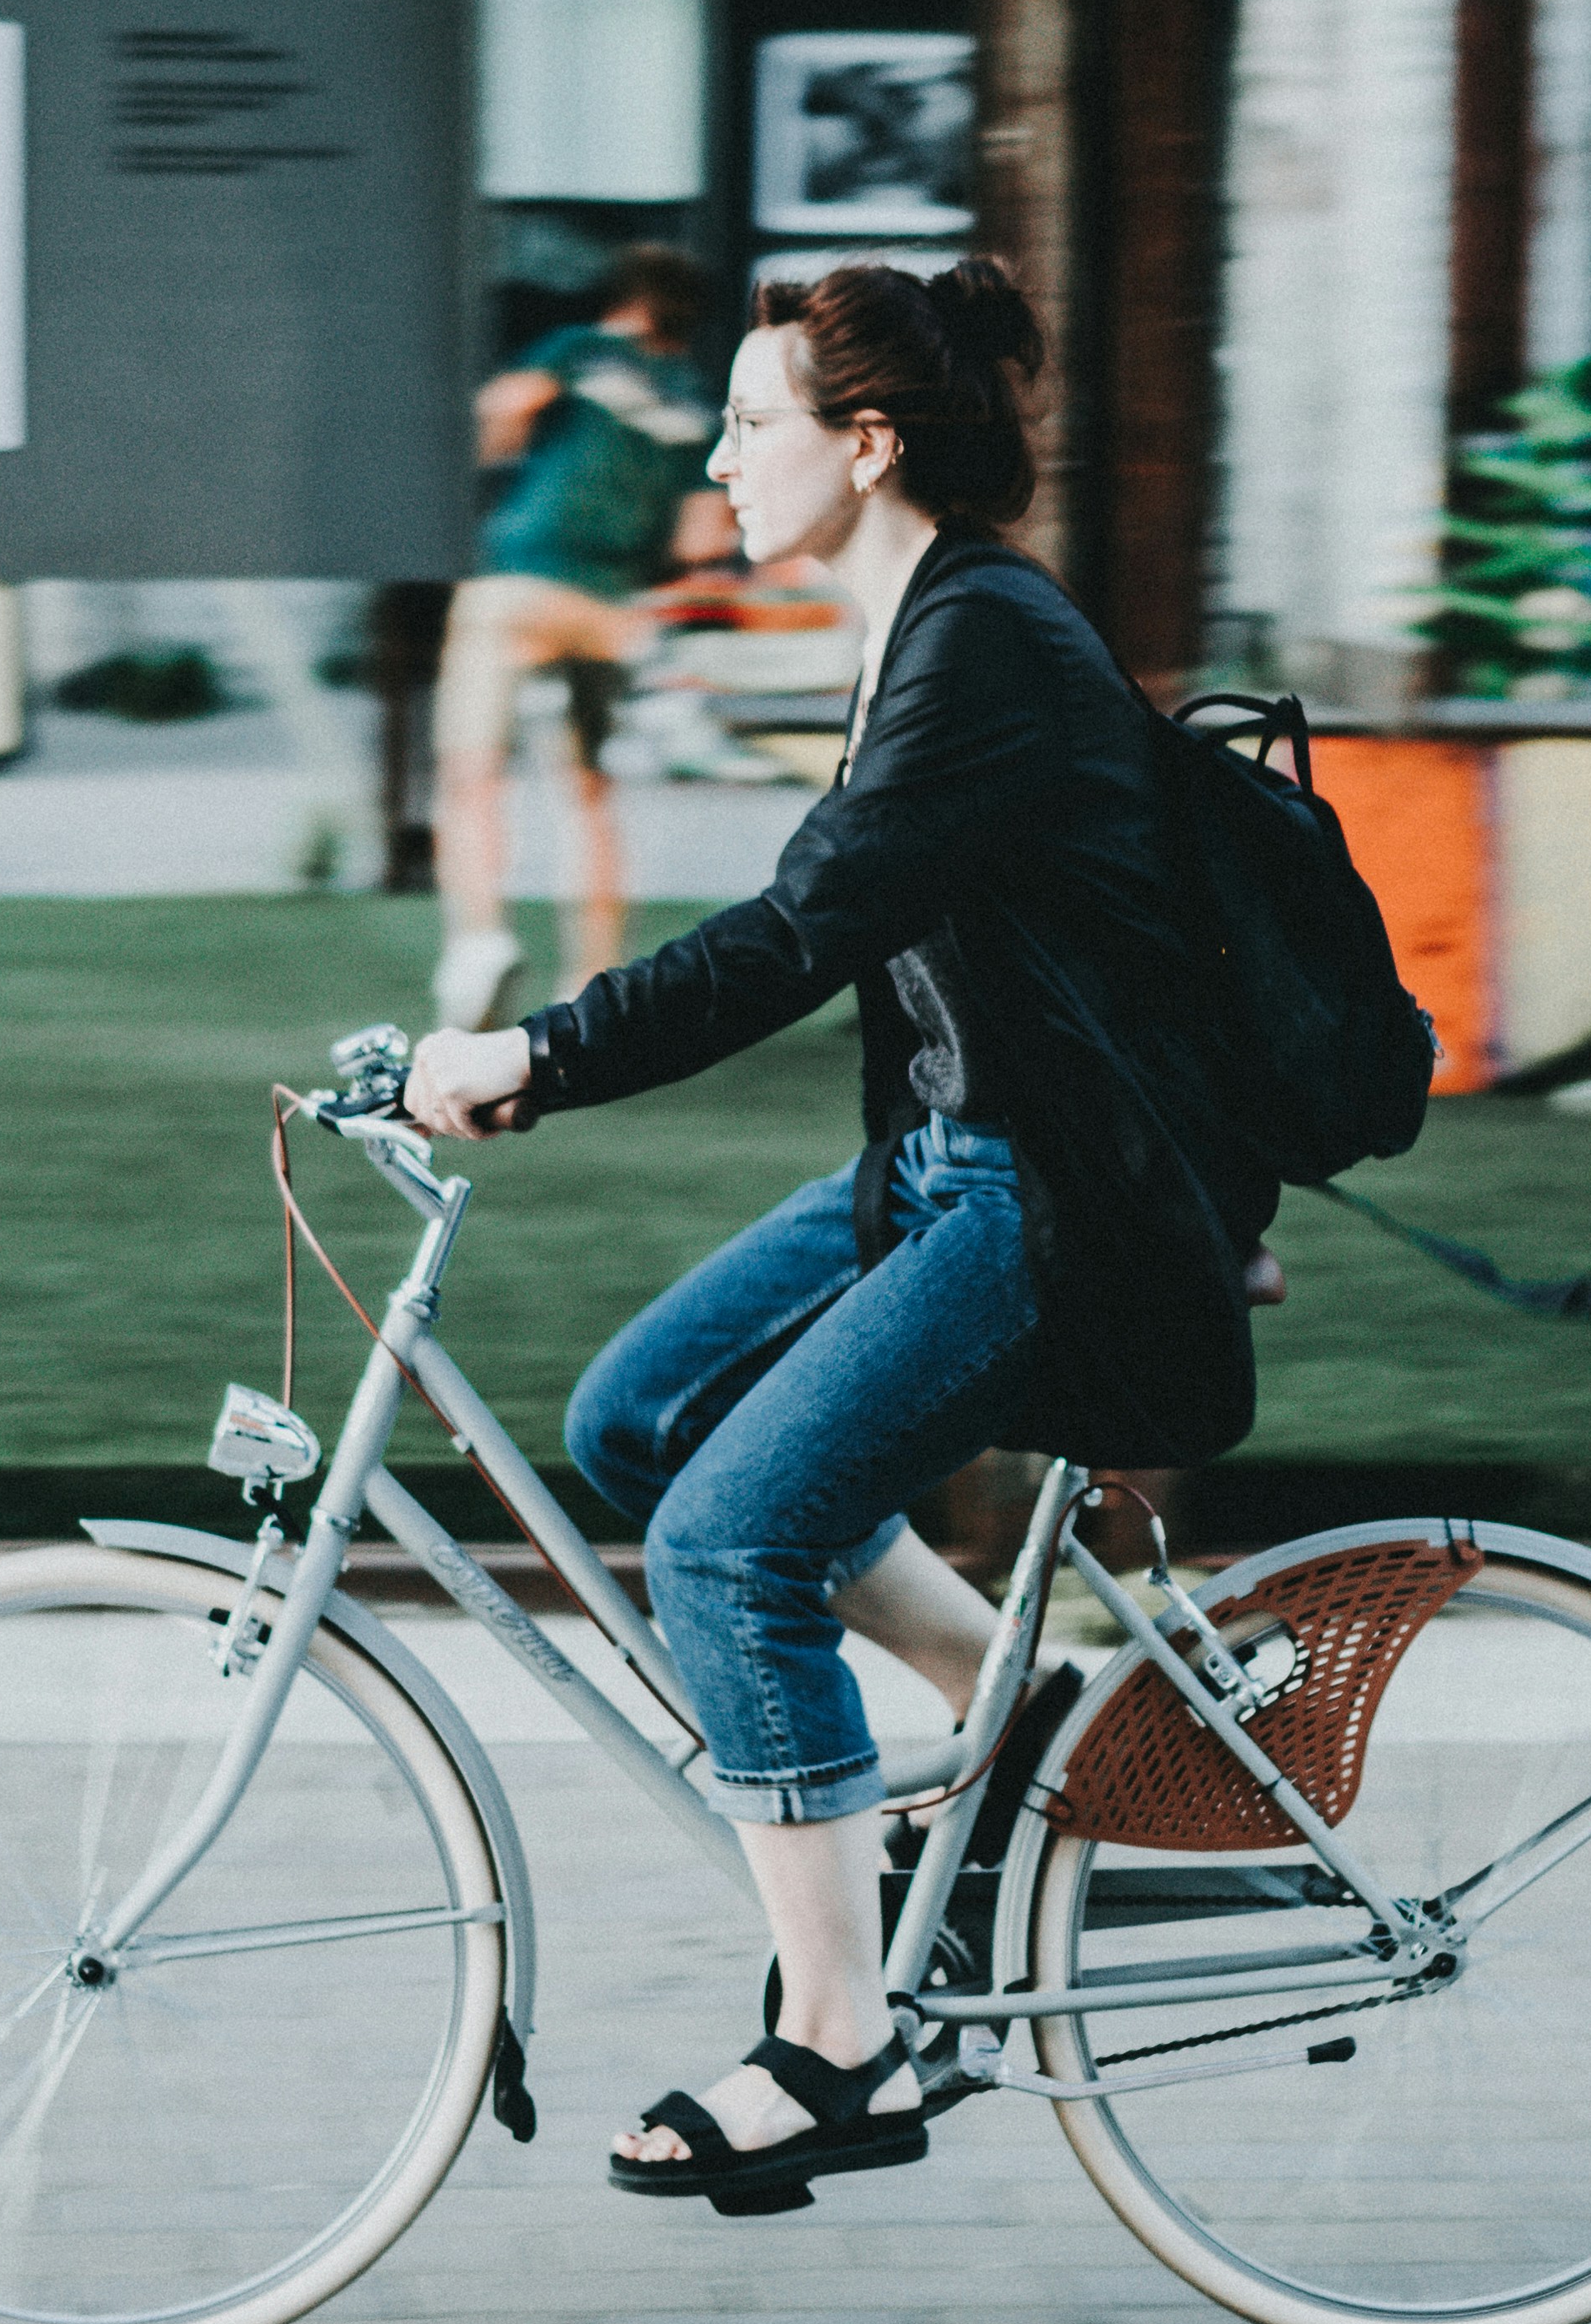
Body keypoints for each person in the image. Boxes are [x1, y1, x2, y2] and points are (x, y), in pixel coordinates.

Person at [405, 258, 1281, 2209]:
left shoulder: (976, 641)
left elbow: (798, 934)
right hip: (966, 1158)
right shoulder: (928, 622)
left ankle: (838, 2041)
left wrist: (536, 1057)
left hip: (1045, 1193)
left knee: (731, 1536)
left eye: (748, 423)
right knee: (641, 1418)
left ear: (867, 442)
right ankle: (1031, 1710)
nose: (712, 461)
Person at [432, 244, 738, 1030]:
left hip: (520, 585)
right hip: (613, 612)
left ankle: (480, 942)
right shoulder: (698, 407)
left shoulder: (580, 350)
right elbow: (704, 540)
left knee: (473, 774)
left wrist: (494, 459)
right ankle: (588, 987)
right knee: (590, 794)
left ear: (623, 301)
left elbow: (503, 412)